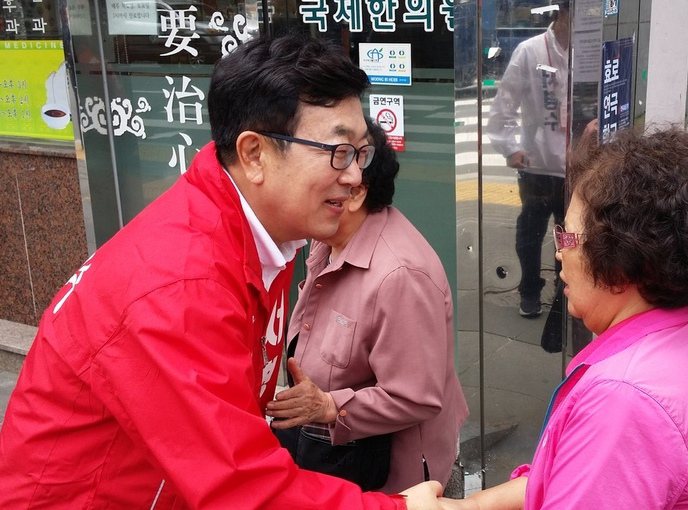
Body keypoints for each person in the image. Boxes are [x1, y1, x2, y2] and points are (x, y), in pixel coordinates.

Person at [0, 35, 441, 510]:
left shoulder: (259, 233)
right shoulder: (181, 286)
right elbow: (243, 492)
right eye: (337, 152)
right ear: (254, 154)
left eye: (361, 153)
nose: (355, 176)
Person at [439, 129, 688, 509]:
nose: (559, 253)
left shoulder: (624, 399)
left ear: (621, 262)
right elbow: (573, 475)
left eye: (568, 238)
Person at [266, 121, 469, 493]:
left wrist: (328, 406)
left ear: (356, 191)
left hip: (390, 477)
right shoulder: (327, 238)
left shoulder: (400, 276)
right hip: (328, 452)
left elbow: (416, 396)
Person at [486, 0, 570, 318]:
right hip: (536, 165)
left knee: (570, 237)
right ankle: (530, 292)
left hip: (575, 167)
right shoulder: (530, 51)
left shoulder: (589, 53)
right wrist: (509, 148)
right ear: (563, 13)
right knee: (531, 233)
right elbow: (504, 103)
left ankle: (566, 294)